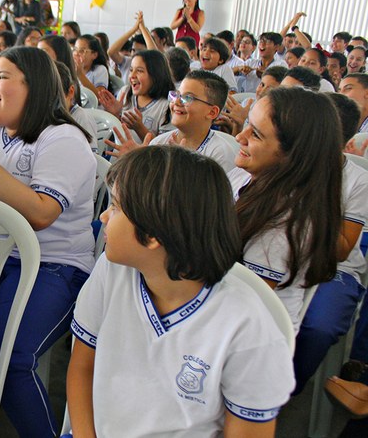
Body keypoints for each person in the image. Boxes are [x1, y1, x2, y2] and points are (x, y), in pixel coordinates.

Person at [67, 145, 294, 437]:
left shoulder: (246, 327)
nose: (104, 218)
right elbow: (82, 368)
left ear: (152, 236)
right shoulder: (113, 270)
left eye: (116, 207)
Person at [0, 46, 96, 437]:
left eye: (3, 76)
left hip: (56, 267)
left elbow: (42, 214)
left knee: (8, 358)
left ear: (35, 87)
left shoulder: (63, 139)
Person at [230, 87, 343, 332]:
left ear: (292, 155)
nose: (240, 136)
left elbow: (243, 305)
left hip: (253, 337)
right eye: (247, 123)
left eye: (256, 134)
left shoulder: (282, 225)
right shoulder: (246, 176)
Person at [290, 92, 368, 395]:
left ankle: (284, 390)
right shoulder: (285, 160)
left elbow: (342, 249)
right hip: (276, 258)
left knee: (318, 327)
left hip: (332, 269)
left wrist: (312, 198)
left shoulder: (358, 181)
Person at [109, 70, 235, 172]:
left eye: (187, 97)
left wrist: (183, 167)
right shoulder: (159, 143)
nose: (177, 102)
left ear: (212, 112)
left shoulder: (221, 154)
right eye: (176, 94)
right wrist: (135, 162)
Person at [99, 49, 175, 142]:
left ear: (156, 75)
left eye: (139, 71)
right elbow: (118, 136)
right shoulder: (125, 93)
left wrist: (139, 128)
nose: (132, 75)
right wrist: (115, 115)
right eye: (131, 70)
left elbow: (163, 148)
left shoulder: (167, 105)